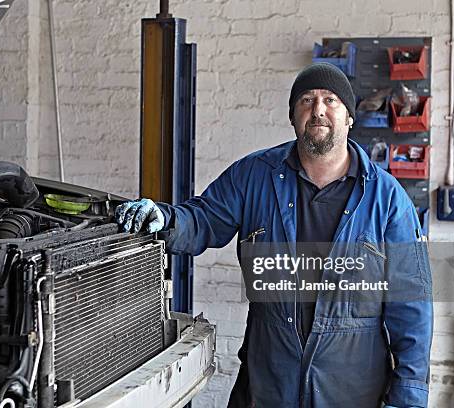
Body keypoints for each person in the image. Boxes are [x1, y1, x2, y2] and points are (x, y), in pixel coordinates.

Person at [116, 62, 432, 408]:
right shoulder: (255, 176)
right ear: (293, 116)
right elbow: (205, 218)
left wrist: (409, 398)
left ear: (349, 117)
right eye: (306, 101)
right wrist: (166, 217)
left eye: (331, 100)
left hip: (353, 390)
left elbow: (411, 304)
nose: (318, 110)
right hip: (269, 383)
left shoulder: (387, 199)